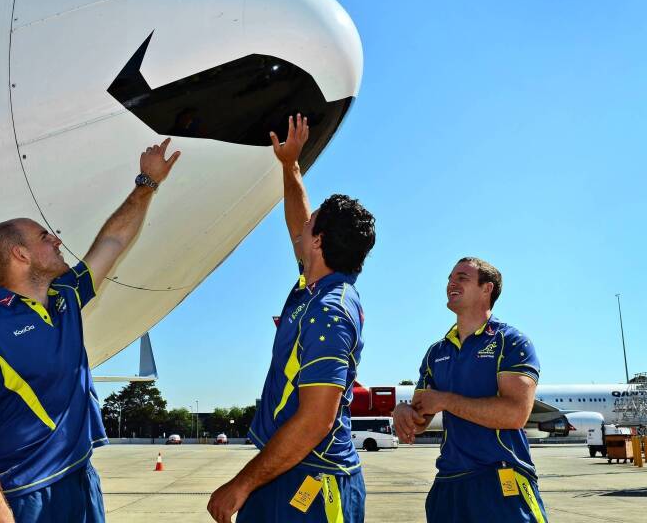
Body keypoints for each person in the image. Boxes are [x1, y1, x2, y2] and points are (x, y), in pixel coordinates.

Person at [0, 139, 180, 523]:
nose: (56, 239)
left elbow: (113, 240)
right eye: (43, 237)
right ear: (19, 255)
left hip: (80, 480)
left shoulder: (65, 297)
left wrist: (147, 183)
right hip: (23, 497)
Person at [207, 115, 376, 523]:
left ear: (317, 241)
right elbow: (297, 219)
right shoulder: (317, 283)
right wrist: (290, 166)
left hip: (311, 484)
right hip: (288, 468)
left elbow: (316, 418)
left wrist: (240, 485)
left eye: (311, 223)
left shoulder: (329, 311)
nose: (302, 225)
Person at [393, 257, 548, 522]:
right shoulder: (436, 353)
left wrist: (446, 400)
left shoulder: (510, 341)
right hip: (448, 484)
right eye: (450, 278)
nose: (451, 283)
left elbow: (515, 414)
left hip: (500, 478)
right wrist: (404, 413)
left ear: (487, 289)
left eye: (462, 278)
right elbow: (420, 419)